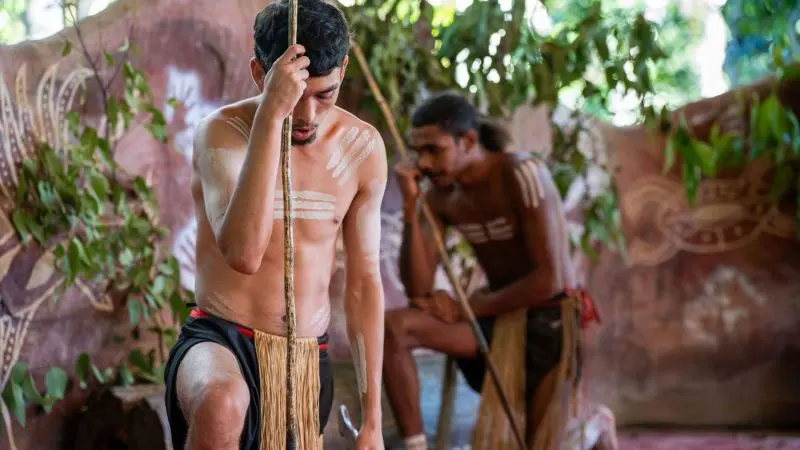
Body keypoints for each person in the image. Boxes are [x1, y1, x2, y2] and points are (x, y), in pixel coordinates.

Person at [163, 1, 386, 449]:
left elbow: (363, 284)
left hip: (305, 361)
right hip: (221, 341)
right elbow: (243, 254)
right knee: (223, 401)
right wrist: (270, 115)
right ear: (257, 74)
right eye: (293, 96)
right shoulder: (222, 133)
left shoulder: (362, 148)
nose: (306, 116)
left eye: (325, 95)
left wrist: (373, 422)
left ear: (343, 70)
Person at [383, 91, 614, 450]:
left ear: (468, 140)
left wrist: (465, 307)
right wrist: (412, 207)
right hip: (492, 322)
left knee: (540, 443)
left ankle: (593, 425)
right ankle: (415, 446)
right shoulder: (440, 197)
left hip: (548, 322)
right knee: (396, 327)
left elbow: (549, 280)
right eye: (418, 152)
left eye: (434, 150)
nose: (423, 163)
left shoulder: (521, 173)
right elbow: (418, 289)